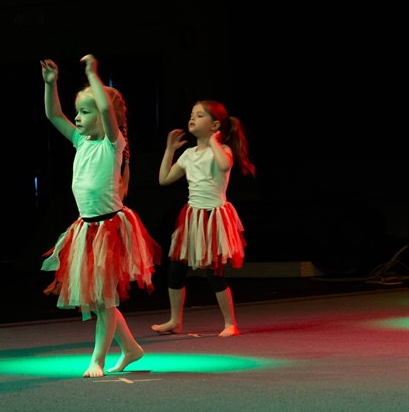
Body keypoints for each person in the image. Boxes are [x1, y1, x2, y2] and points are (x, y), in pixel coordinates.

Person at [40, 54, 161, 377]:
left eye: (85, 111)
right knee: (99, 301)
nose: (77, 118)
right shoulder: (80, 142)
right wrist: (50, 84)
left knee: (104, 300)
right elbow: (53, 115)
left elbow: (107, 110)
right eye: (78, 112)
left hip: (110, 229)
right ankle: (131, 348)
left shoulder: (112, 143)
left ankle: (97, 360)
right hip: (86, 229)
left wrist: (93, 74)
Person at [152, 100, 255, 337]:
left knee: (214, 273)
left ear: (215, 125)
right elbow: (164, 179)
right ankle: (175, 320)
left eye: (200, 116)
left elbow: (223, 165)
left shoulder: (222, 150)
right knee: (175, 269)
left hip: (214, 217)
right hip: (193, 218)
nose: (193, 118)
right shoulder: (188, 155)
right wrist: (169, 150)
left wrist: (214, 142)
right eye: (192, 114)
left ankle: (230, 323)